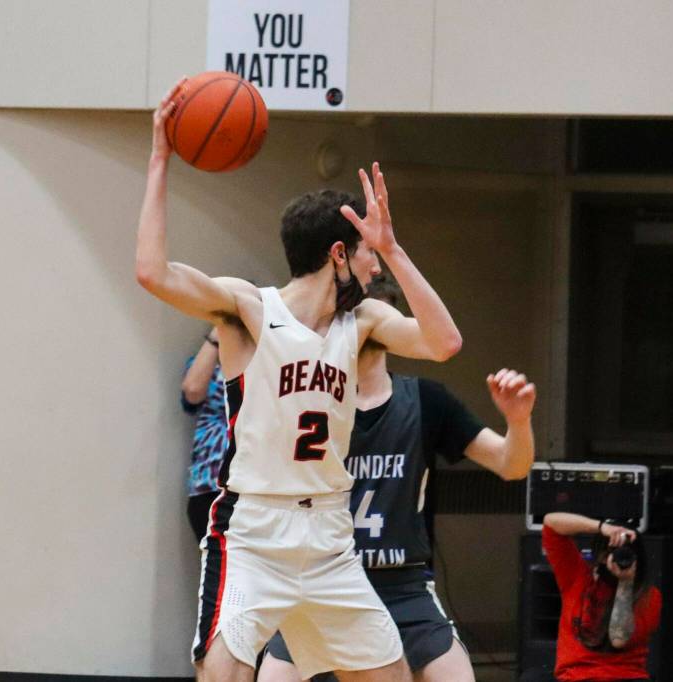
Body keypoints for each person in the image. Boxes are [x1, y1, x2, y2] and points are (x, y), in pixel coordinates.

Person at [136, 80, 462, 682]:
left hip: (331, 538)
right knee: (224, 675)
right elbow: (152, 272)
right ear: (338, 253)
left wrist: (393, 247)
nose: (373, 266)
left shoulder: (363, 322)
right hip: (255, 531)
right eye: (366, 252)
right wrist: (160, 159)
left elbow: (444, 342)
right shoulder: (249, 310)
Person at [259, 275, 536, 682]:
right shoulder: (308, 403)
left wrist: (519, 421)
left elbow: (512, 465)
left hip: (403, 587)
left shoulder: (427, 400)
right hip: (322, 582)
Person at [538, 512, 663, 682]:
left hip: (625, 677)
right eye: (610, 551)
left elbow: (619, 640)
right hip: (575, 677)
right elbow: (551, 522)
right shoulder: (577, 577)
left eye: (625, 553)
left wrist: (625, 583)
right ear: (601, 554)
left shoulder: (649, 595)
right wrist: (602, 528)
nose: (616, 557)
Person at [181, 326, 228, 542]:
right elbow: (192, 392)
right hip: (209, 485)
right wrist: (218, 332)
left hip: (254, 489)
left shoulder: (266, 360)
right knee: (217, 571)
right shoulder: (210, 363)